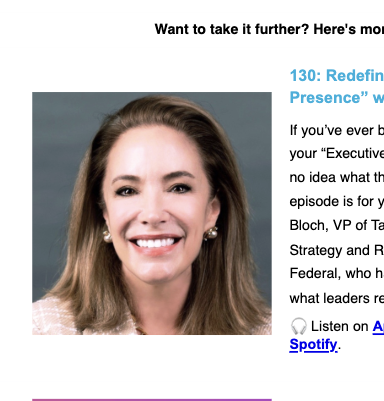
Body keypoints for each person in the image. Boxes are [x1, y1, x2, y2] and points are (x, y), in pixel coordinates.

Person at [32, 94, 271, 335]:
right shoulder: (41, 330)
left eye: (179, 187)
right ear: (104, 212)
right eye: (127, 190)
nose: (153, 214)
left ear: (211, 211)